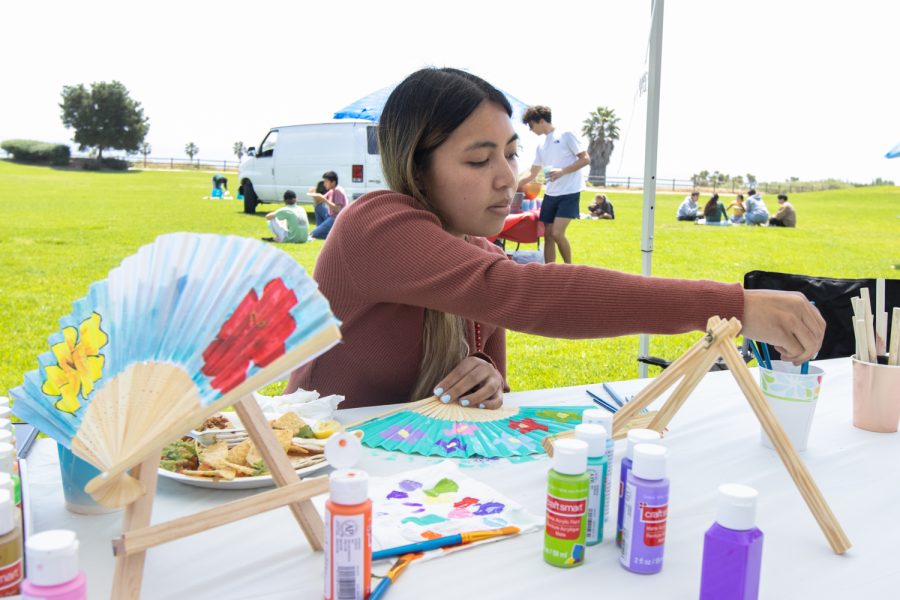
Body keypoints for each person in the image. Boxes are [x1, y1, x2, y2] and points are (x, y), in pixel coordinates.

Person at [285, 67, 824, 410]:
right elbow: (524, 293)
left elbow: (493, 390)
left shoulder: (479, 252)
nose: (506, 176)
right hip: (318, 467)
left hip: (413, 481)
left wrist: (488, 385)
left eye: (510, 153)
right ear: (416, 170)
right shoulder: (376, 224)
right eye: (479, 159)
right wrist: (732, 304)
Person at [517, 105, 590, 264]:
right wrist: (513, 185)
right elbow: (533, 173)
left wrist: (562, 171)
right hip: (551, 194)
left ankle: (569, 269)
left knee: (557, 233)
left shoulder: (566, 134)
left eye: (531, 125)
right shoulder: (541, 146)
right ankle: (550, 272)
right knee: (548, 235)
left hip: (569, 193)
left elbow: (585, 159)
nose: (530, 129)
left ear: (541, 121)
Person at [307, 171, 347, 239]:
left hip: (336, 219)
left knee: (311, 235)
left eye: (326, 181)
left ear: (333, 182)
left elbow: (338, 209)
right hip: (330, 216)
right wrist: (313, 194)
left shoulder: (338, 191)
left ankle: (324, 234)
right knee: (318, 207)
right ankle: (322, 231)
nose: (324, 184)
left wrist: (325, 200)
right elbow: (319, 201)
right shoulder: (332, 190)